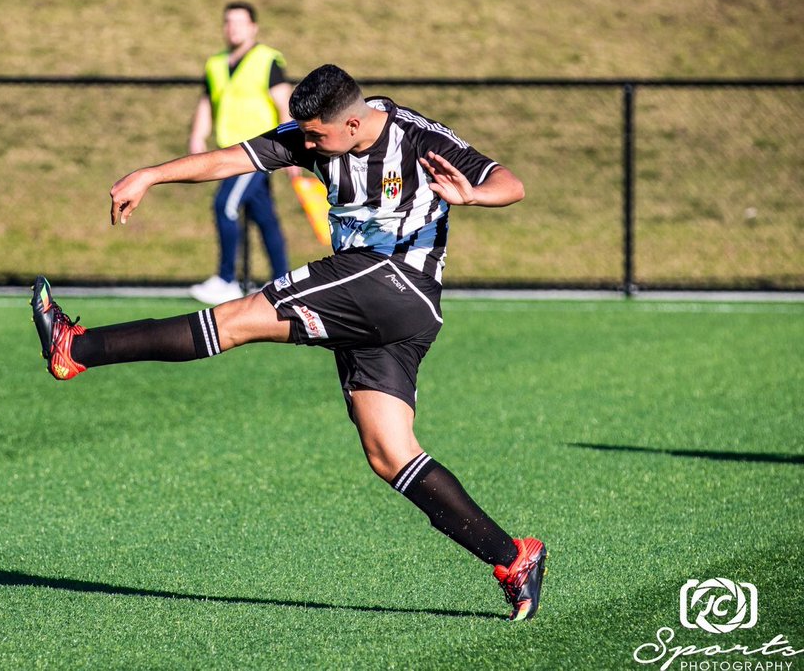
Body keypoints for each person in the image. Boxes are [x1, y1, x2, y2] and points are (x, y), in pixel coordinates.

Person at [31, 64, 547, 621]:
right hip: (382, 308)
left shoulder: (418, 138)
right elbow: (233, 157)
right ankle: (513, 557)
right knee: (388, 452)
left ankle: (76, 348)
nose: (305, 144)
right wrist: (150, 175)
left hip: (394, 283)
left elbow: (510, 184)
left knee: (241, 317)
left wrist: (473, 198)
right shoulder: (315, 136)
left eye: (316, 136)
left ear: (352, 124)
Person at [186, 1, 294, 306]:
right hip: (228, 152)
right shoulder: (215, 64)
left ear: (253, 27)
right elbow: (208, 102)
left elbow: (283, 103)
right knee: (264, 217)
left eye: (239, 22)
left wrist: (291, 147)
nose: (232, 28)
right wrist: (197, 135)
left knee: (225, 205)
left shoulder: (267, 59)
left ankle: (226, 280)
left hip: (259, 152)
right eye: (228, 22)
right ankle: (283, 281)